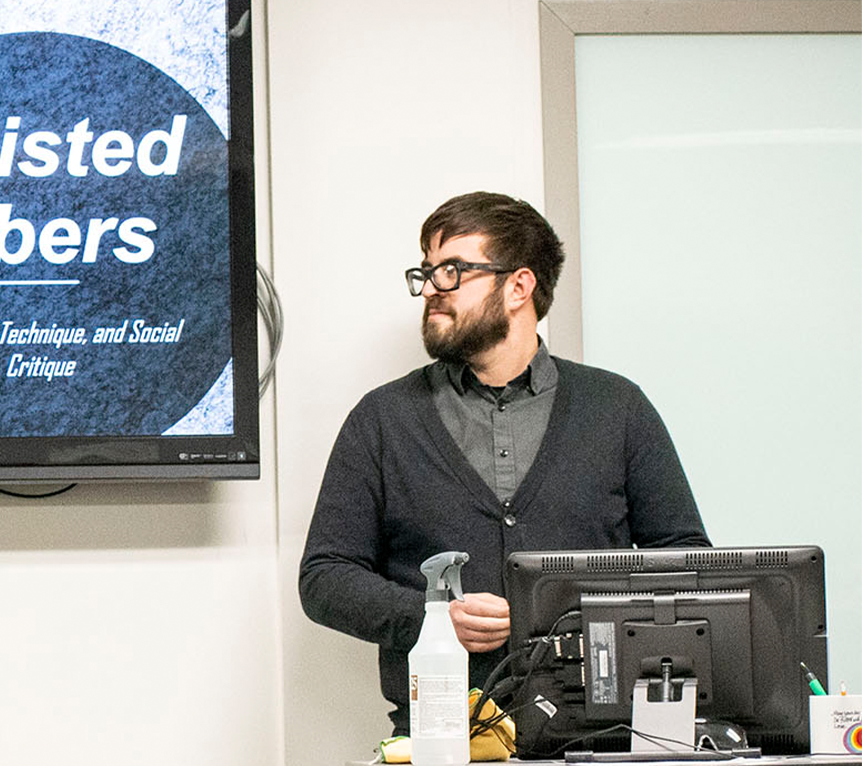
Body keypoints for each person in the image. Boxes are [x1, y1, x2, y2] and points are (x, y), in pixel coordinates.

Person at [299, 191, 707, 734]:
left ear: (519, 286)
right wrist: (434, 618)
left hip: (603, 741)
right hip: (442, 741)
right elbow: (325, 578)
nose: (431, 291)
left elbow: (686, 563)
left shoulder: (618, 408)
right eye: (426, 273)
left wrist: (581, 619)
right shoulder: (382, 419)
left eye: (452, 272)